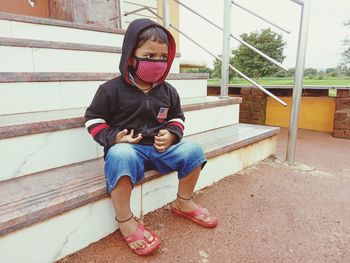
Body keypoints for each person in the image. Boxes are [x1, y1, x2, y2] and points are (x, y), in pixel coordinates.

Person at [85, 18, 218, 256]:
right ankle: (125, 219)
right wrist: (113, 138)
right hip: (128, 150)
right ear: (131, 56)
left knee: (193, 151)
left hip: (159, 150)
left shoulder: (168, 90)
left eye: (162, 57)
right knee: (120, 155)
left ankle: (183, 202)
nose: (157, 62)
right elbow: (93, 119)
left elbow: (177, 117)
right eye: (149, 55)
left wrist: (173, 134)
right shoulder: (110, 89)